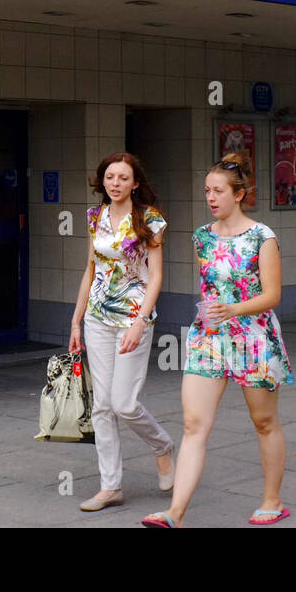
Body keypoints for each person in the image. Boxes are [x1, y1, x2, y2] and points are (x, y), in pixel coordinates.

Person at [142, 152, 295, 528]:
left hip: (255, 337)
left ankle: (272, 501)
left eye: (219, 191)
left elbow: (272, 295)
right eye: (207, 191)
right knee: (194, 424)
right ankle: (174, 513)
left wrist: (234, 309)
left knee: (263, 421)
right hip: (209, 336)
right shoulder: (201, 237)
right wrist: (217, 313)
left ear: (239, 194)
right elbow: (211, 286)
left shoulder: (263, 237)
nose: (211, 198)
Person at [68, 151, 175, 512]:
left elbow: (156, 275)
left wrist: (141, 320)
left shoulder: (150, 220)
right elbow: (91, 269)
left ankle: (162, 446)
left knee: (124, 403)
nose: (115, 183)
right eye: (110, 177)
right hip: (98, 317)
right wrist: (76, 319)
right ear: (103, 180)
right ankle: (110, 486)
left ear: (135, 183)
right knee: (102, 406)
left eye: (122, 178)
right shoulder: (94, 216)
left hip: (133, 317)